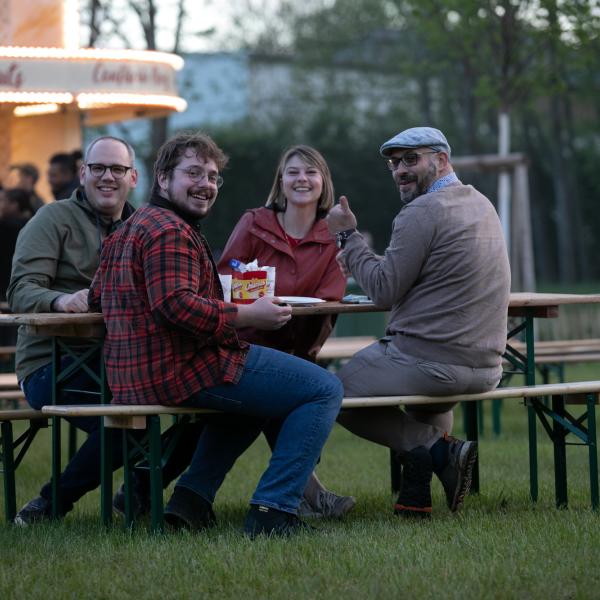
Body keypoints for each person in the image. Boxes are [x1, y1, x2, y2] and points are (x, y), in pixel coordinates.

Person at [88, 132, 344, 538]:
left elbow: (96, 295)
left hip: (133, 373)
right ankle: (273, 511)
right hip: (179, 369)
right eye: (193, 173)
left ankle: (191, 501)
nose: (206, 184)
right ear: (162, 178)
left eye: (211, 176)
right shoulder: (170, 230)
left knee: (259, 397)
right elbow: (175, 305)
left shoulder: (130, 226)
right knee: (323, 388)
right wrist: (247, 313)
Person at [327, 126, 511, 517]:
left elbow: (383, 290)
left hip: (431, 363)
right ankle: (415, 499)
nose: (400, 170)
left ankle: (443, 450)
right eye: (395, 163)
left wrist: (347, 237)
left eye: (412, 159)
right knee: (424, 412)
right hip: (486, 366)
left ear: (441, 160)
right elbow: (409, 275)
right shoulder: (481, 204)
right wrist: (364, 255)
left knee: (331, 394)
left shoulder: (422, 211)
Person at [8, 136, 141, 524]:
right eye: (98, 168)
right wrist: (59, 300)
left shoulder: (140, 227)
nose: (107, 177)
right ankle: (50, 505)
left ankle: (146, 495)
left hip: (120, 364)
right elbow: (20, 290)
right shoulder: (52, 218)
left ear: (132, 177)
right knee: (130, 422)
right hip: (50, 364)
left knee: (194, 408)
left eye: (117, 169)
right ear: (83, 173)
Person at [218, 144, 353, 519]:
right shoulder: (254, 222)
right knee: (282, 396)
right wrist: (251, 287)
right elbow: (225, 272)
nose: (302, 179)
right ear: (281, 180)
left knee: (287, 394)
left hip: (301, 346)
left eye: (311, 172)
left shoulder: (332, 233)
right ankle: (309, 497)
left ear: (323, 181)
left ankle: (309, 497)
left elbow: (332, 295)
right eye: (293, 172)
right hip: (247, 343)